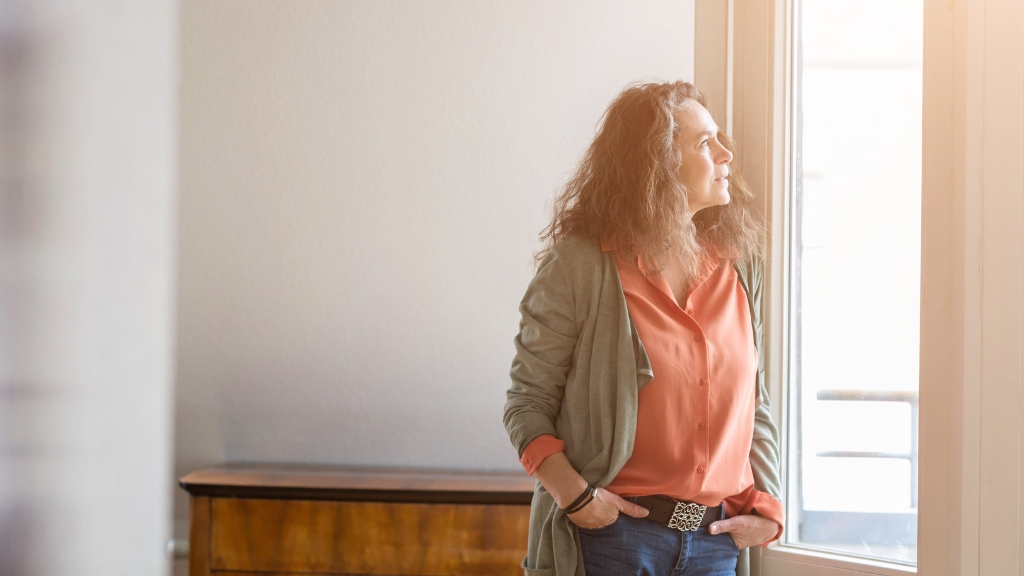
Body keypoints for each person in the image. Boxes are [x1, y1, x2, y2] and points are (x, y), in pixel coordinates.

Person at [503, 81, 784, 576]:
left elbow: (753, 404)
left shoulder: (741, 268)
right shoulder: (581, 266)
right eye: (704, 143)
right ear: (655, 164)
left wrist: (769, 504)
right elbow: (527, 406)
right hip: (611, 539)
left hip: (715, 543)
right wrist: (578, 500)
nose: (725, 153)